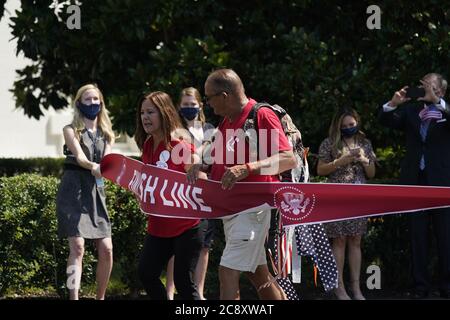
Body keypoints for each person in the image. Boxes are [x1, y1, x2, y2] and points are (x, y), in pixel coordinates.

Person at [187, 68, 297, 300]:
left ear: (224, 96)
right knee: (258, 275)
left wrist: (247, 168)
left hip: (253, 209)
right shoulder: (227, 120)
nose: (207, 104)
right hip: (234, 210)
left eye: (209, 98)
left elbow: (288, 159)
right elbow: (213, 156)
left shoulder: (261, 115)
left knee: (227, 271)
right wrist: (200, 163)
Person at [379, 73, 450, 299]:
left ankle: (446, 285)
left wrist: (438, 103)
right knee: (418, 236)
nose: (424, 89)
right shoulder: (411, 111)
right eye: (422, 85)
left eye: (429, 86)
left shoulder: (446, 111)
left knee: (445, 235)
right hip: (415, 182)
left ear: (441, 91)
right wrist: (393, 103)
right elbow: (385, 120)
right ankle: (421, 286)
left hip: (442, 184)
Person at [135, 91, 207, 300]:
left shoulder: (180, 147)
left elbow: (199, 175)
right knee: (146, 273)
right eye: (142, 113)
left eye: (151, 112)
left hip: (188, 226)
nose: (145, 117)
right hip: (158, 225)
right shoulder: (148, 145)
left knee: (183, 281)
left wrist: (196, 167)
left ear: (164, 113)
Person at [56, 83, 115, 300]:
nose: (92, 104)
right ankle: (74, 297)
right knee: (78, 247)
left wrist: (107, 169)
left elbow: (108, 161)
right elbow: (80, 158)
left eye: (96, 100)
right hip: (73, 192)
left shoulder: (108, 134)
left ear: (101, 103)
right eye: (87, 100)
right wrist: (95, 167)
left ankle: (100, 297)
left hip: (95, 193)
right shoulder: (70, 129)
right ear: (79, 103)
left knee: (107, 249)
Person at [317, 108, 376, 300]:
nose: (349, 128)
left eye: (352, 124)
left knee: (356, 240)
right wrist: (340, 161)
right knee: (339, 240)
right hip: (337, 198)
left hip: (359, 198)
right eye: (345, 126)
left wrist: (365, 160)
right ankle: (339, 288)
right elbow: (320, 170)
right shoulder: (329, 144)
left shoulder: (365, 144)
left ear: (357, 122)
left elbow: (372, 174)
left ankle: (356, 289)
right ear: (338, 127)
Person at [166, 87, 217, 300]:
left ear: (200, 106)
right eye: (185, 105)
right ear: (179, 107)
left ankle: (199, 292)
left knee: (204, 244)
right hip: (182, 193)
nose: (189, 108)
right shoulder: (175, 130)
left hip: (205, 192)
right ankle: (169, 292)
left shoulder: (210, 130)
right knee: (175, 245)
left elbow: (213, 160)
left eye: (192, 104)